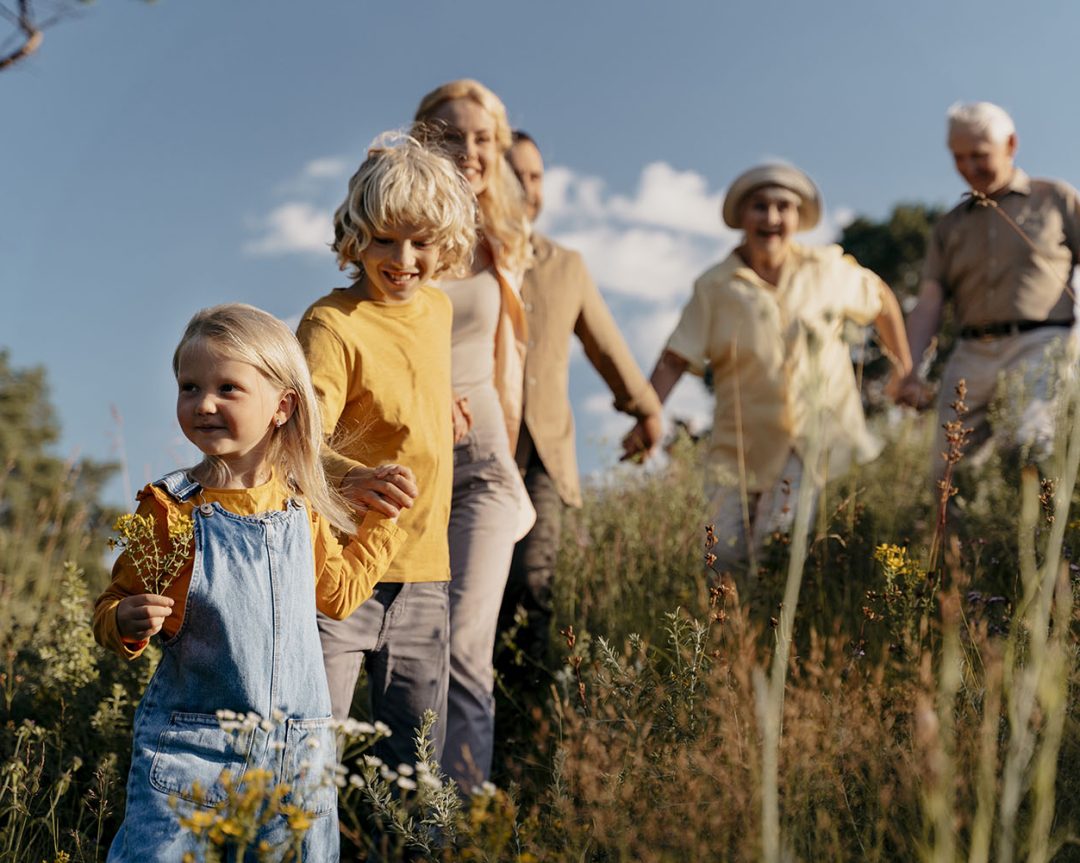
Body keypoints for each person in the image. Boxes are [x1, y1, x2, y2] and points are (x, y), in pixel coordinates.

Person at [93, 303, 406, 862]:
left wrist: (382, 522)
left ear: (282, 406)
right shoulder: (167, 509)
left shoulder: (299, 509)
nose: (203, 404)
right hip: (195, 753)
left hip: (298, 759)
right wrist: (125, 619)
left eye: (227, 388)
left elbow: (338, 595)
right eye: (189, 387)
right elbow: (113, 603)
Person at [624, 163, 912, 578]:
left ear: (798, 218)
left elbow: (881, 299)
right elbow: (675, 358)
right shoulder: (715, 286)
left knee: (776, 551)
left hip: (808, 441)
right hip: (737, 446)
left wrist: (903, 371)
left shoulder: (826, 270)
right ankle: (734, 638)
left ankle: (776, 635)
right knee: (721, 557)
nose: (772, 218)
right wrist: (645, 419)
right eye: (760, 207)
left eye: (783, 207)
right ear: (743, 216)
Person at [297, 136, 476, 776]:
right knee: (309, 758)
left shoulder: (438, 308)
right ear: (355, 237)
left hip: (426, 574)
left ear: (446, 243)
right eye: (383, 240)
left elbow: (405, 379)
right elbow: (294, 439)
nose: (403, 260)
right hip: (340, 576)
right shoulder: (331, 324)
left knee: (415, 768)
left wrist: (443, 402)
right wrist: (355, 477)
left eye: (421, 242)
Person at [498, 129, 663, 672]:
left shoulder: (566, 265)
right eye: (514, 173)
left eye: (536, 176)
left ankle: (526, 734)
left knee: (532, 584)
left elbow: (606, 343)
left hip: (543, 454)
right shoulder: (460, 256)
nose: (527, 187)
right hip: (473, 447)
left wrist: (646, 408)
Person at [413, 79, 536, 788]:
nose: (470, 151)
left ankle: (455, 823)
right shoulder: (395, 231)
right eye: (451, 136)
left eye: (484, 138)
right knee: (409, 649)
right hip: (408, 472)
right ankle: (404, 808)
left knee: (463, 644)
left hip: (484, 469)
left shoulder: (504, 242)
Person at [895, 101, 1080, 483]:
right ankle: (958, 545)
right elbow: (930, 301)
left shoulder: (1055, 199)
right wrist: (909, 369)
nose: (968, 168)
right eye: (958, 158)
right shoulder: (949, 226)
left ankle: (1039, 540)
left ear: (1010, 144)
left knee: (1028, 447)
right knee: (947, 470)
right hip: (971, 353)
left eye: (979, 155)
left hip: (1043, 342)